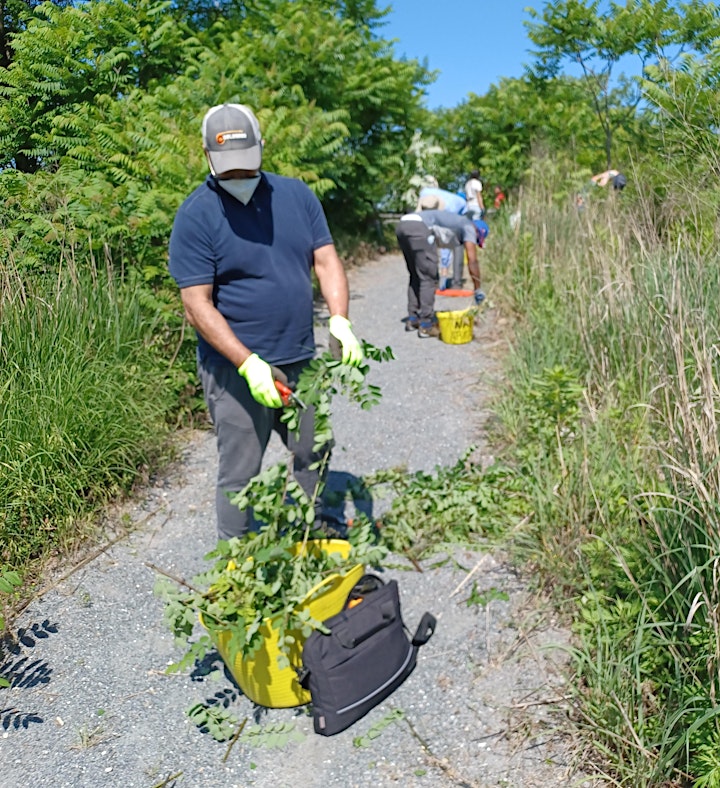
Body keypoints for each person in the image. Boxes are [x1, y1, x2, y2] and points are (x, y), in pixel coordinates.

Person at [168, 103, 363, 541]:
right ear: (206, 154)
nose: (238, 176)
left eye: (246, 165)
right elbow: (197, 304)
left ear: (262, 148)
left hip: (300, 359)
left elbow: (326, 260)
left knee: (313, 448)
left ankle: (318, 529)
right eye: (228, 169)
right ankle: (235, 564)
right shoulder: (196, 215)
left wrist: (340, 321)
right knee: (240, 471)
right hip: (234, 370)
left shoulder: (296, 197)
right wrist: (247, 362)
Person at [395, 209, 486, 338]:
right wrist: (478, 289)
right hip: (419, 227)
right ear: (479, 232)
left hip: (403, 225)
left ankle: (413, 319)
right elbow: (472, 260)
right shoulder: (470, 227)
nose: (473, 243)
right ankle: (426, 325)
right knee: (428, 277)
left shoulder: (457, 223)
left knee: (416, 275)